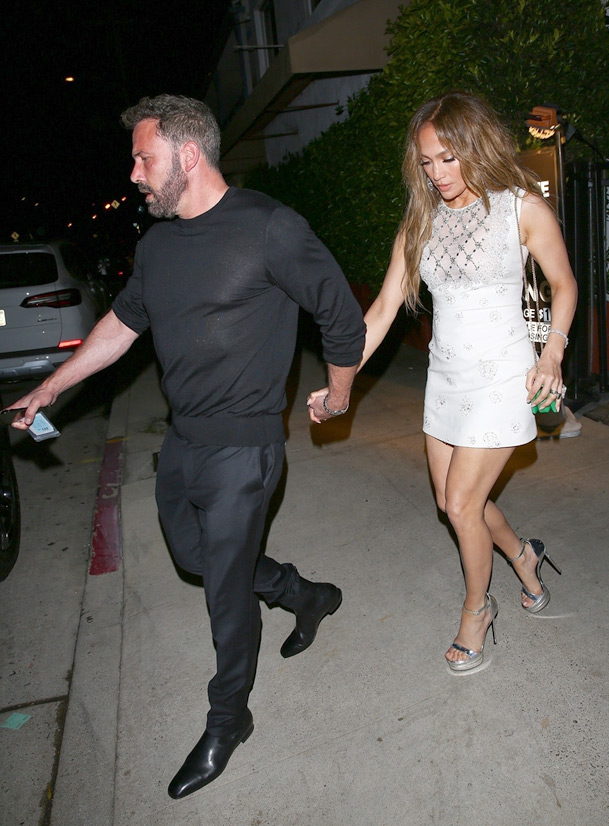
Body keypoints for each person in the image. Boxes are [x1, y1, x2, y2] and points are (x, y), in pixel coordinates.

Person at [7, 94, 365, 797]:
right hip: (184, 441)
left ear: (189, 155)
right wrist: (51, 387)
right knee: (196, 559)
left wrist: (339, 394)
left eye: (144, 158)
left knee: (224, 597)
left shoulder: (270, 228)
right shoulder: (159, 246)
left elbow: (340, 316)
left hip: (245, 448)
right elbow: (121, 326)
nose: (135, 174)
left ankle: (228, 720)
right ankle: (304, 594)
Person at [309, 90, 577, 673]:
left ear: (477, 146)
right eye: (427, 161)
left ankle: (478, 610)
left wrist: (552, 354)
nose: (437, 173)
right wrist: (339, 382)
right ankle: (523, 555)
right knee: (453, 504)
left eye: (449, 158)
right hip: (447, 379)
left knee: (460, 503)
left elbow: (564, 284)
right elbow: (382, 311)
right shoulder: (421, 222)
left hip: (502, 377)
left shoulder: (521, 209)